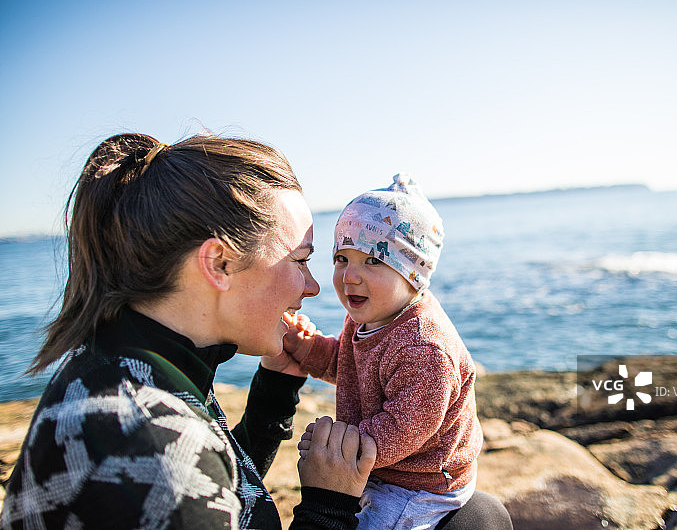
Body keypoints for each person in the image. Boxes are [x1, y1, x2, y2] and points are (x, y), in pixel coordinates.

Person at [0, 133, 377, 530]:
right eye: (299, 260)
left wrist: (272, 396)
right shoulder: (148, 445)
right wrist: (328, 506)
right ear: (218, 264)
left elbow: (219, 489)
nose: (313, 286)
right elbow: (181, 489)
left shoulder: (122, 362)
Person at [283, 174, 485, 530]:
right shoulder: (369, 315)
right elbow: (347, 365)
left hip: (421, 482)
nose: (350, 276)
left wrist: (338, 450)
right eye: (342, 258)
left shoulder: (424, 347)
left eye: (373, 261)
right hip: (382, 464)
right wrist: (307, 347)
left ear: (413, 273)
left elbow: (403, 427)